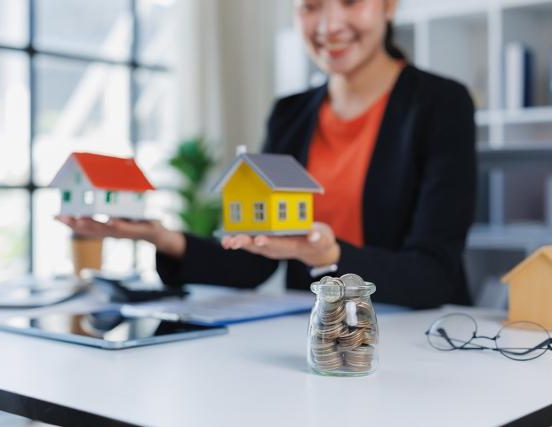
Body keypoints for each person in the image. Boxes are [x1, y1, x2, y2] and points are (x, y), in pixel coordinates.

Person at [58, 0, 476, 309]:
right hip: (317, 331)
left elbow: (433, 276)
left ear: (388, 6)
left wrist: (330, 257)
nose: (329, 24)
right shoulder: (290, 114)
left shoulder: (442, 103)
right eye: (310, 6)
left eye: (350, 1)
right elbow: (253, 262)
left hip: (415, 333)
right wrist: (161, 237)